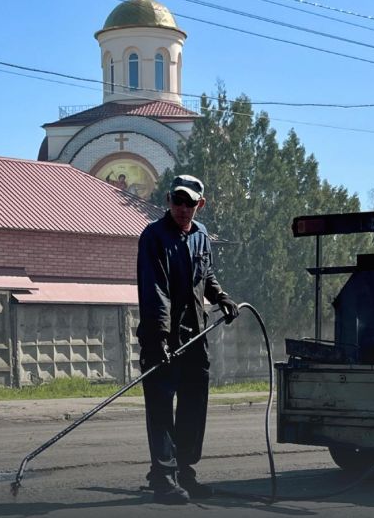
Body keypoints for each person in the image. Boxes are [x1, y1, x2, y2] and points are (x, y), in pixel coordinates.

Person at [136, 174, 240, 505]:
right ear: (168, 200)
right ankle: (164, 477)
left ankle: (184, 471)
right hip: (161, 337)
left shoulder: (201, 235)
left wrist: (221, 296)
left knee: (194, 405)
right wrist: (160, 338)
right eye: (177, 201)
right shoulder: (153, 237)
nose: (182, 208)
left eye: (189, 203)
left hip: (196, 335)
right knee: (161, 407)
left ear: (200, 204)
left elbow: (205, 274)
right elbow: (155, 290)